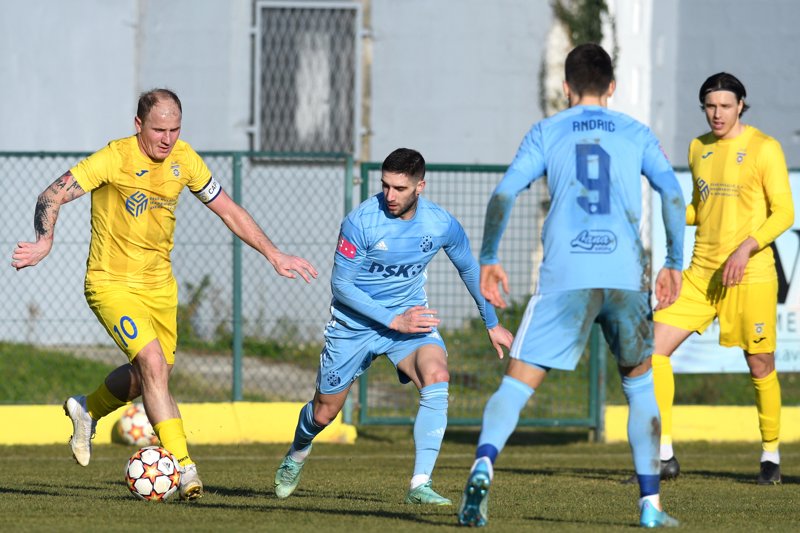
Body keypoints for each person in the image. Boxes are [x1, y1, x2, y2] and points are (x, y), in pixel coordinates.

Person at [11, 88, 318, 500]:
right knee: (153, 364)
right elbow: (51, 194)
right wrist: (44, 241)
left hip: (160, 288)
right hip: (111, 283)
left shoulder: (184, 159)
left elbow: (228, 210)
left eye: (175, 129)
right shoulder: (114, 157)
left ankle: (88, 408)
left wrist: (273, 253)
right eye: (159, 130)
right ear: (138, 124)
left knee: (151, 376)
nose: (167, 139)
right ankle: (185, 467)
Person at [457, 43, 684, 528]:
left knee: (516, 384)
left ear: (566, 87)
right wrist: (674, 262)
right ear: (611, 87)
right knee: (639, 385)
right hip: (625, 278)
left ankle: (484, 465)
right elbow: (671, 192)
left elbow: (504, 192)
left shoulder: (547, 131)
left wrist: (490, 257)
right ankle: (651, 505)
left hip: (567, 277)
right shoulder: (636, 132)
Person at [272, 147, 514, 505]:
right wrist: (393, 319)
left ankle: (420, 484)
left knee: (437, 376)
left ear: (420, 186)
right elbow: (341, 285)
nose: (389, 195)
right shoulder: (361, 222)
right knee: (324, 412)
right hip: (354, 325)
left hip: (408, 320)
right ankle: (297, 452)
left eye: (399, 188)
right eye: (385, 185)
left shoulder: (440, 223)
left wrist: (491, 322)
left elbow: (468, 268)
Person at [649, 73, 793, 485]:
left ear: (741, 105)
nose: (717, 113)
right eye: (710, 106)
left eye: (726, 106)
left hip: (750, 276)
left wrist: (746, 248)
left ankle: (770, 457)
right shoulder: (699, 147)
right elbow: (700, 209)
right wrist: (671, 204)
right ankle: (664, 456)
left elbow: (784, 213)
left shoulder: (765, 148)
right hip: (700, 275)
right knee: (651, 351)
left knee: (760, 363)